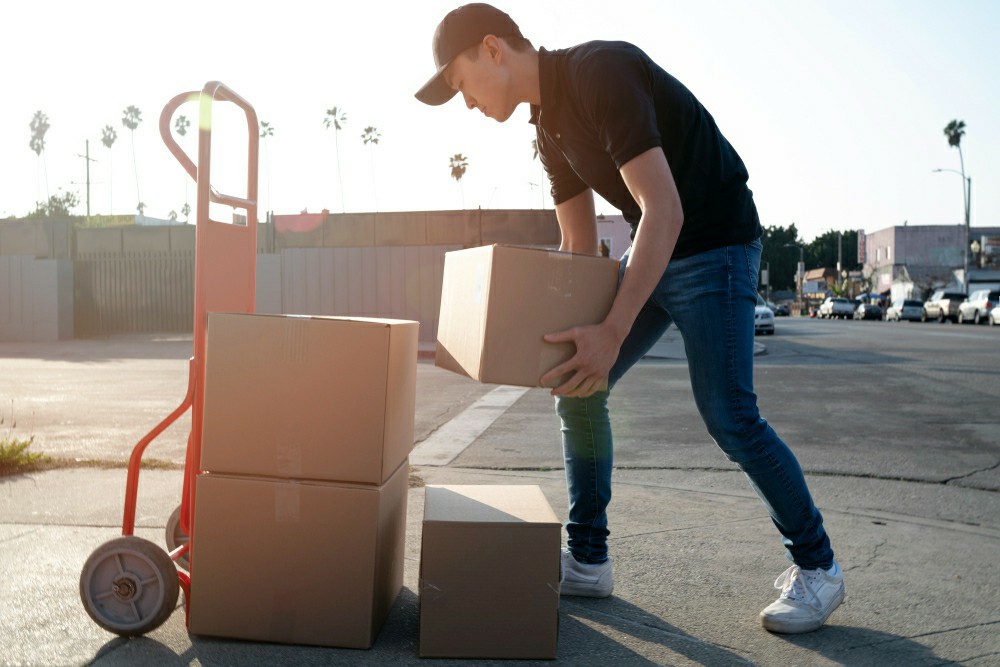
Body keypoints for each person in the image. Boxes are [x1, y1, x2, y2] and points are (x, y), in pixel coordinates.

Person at [415, 3, 844, 634]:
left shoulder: (600, 71)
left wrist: (612, 332)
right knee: (577, 382)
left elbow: (663, 208)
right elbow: (578, 251)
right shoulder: (547, 129)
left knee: (728, 414)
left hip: (715, 242)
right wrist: (542, 337)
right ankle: (588, 559)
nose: (467, 104)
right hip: (657, 246)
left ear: (492, 49)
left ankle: (819, 569)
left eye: (459, 84)